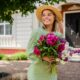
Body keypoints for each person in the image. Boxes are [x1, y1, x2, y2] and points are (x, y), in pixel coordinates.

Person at [27, 5, 64, 80]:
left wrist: (58, 58)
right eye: (43, 15)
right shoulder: (37, 32)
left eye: (49, 14)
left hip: (52, 73)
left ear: (54, 17)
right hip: (37, 73)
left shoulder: (58, 35)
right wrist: (43, 57)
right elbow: (29, 52)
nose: (45, 17)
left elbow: (61, 54)